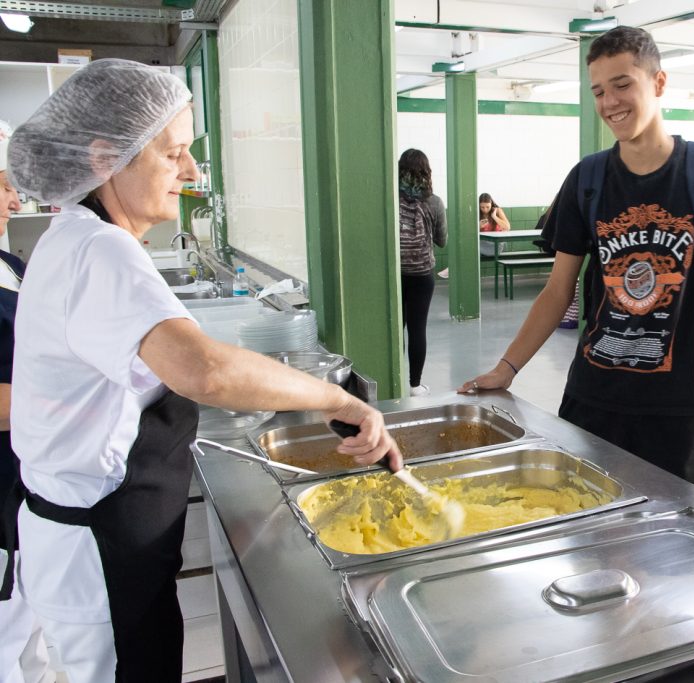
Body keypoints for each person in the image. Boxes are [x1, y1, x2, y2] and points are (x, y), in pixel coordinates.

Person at [2, 59, 401, 682]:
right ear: (108, 157)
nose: (189, 173)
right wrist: (340, 402)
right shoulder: (99, 250)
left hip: (95, 542)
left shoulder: (79, 237)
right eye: (174, 154)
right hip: (100, 552)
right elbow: (203, 370)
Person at [458, 26, 694, 489]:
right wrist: (507, 367)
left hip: (678, 403)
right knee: (582, 520)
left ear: (658, 83)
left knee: (667, 537)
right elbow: (557, 289)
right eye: (598, 91)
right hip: (594, 395)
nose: (609, 102)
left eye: (623, 84)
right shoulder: (588, 178)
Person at [0, 121, 56, 683]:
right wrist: (69, 403)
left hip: (26, 478)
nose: (16, 198)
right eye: (4, 187)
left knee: (27, 631)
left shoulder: (8, 264)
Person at [397, 149, 447, 397]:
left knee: (396, 327)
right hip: (422, 275)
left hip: (394, 275)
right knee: (417, 329)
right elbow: (442, 240)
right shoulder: (434, 201)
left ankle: (393, 378)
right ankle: (415, 385)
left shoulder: (390, 199)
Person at [478, 192, 510, 258]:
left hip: (496, 244)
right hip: (482, 244)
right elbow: (470, 232)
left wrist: (494, 217)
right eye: (482, 207)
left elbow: (507, 227)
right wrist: (478, 226)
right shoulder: (477, 212)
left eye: (487, 207)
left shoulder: (497, 211)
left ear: (491, 204)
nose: (485, 209)